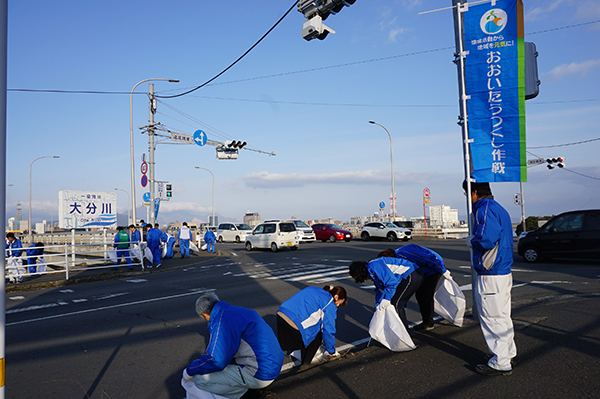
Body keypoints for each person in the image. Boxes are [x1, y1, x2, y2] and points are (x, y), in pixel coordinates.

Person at [182, 292, 284, 399]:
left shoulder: (221, 321)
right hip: (275, 364)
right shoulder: (239, 311)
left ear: (204, 314)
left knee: (201, 380)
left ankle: (245, 394)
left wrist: (190, 370)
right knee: (227, 365)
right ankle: (251, 390)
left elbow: (216, 360)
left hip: (261, 372)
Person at [463, 180, 517, 376]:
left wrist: (471, 240)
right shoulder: (498, 208)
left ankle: (501, 362)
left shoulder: (484, 208)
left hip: (491, 273)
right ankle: (506, 353)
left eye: (467, 194)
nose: (468, 199)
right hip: (502, 271)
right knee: (502, 316)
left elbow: (486, 239)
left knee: (492, 317)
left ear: (474, 192)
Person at [378, 244, 452, 331]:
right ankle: (427, 321)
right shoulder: (399, 258)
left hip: (432, 269)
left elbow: (429, 258)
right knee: (420, 295)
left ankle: (428, 323)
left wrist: (442, 270)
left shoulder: (406, 252)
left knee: (426, 295)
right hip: (422, 270)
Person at [276, 285, 346, 366]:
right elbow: (328, 331)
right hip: (294, 323)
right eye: (339, 303)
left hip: (281, 313)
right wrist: (332, 351)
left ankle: (298, 356)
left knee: (280, 345)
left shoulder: (315, 289)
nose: (337, 306)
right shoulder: (330, 303)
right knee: (317, 331)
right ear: (336, 297)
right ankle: (306, 363)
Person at [349, 256, 423, 330]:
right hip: (408, 276)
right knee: (396, 303)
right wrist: (378, 307)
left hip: (412, 274)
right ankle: (398, 329)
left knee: (396, 304)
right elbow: (380, 290)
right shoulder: (372, 273)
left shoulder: (374, 265)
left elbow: (391, 283)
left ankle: (403, 332)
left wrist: (386, 299)